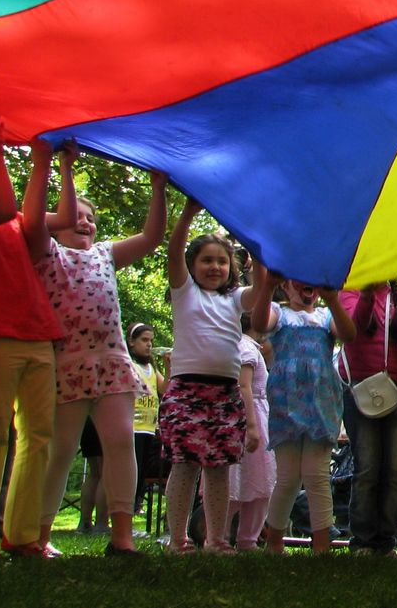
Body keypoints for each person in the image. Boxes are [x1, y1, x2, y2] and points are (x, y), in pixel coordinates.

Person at [23, 141, 167, 557]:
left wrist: (157, 188)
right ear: (58, 223)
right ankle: (40, 534)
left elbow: (151, 237)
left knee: (121, 442)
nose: (83, 223)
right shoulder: (46, 253)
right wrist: (65, 168)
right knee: (61, 450)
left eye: (90, 219)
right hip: (66, 364)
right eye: (76, 217)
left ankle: (121, 535)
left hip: (111, 363)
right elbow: (40, 222)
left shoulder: (105, 254)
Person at [0, 121, 66, 560]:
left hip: (38, 335)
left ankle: (22, 535)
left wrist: (46, 161)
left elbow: (44, 217)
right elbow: (0, 207)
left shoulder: (15, 227)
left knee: (38, 434)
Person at [159, 197, 254, 554]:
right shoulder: (184, 293)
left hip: (225, 396)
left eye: (221, 260)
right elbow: (172, 252)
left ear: (232, 266)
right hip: (186, 391)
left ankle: (216, 539)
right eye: (206, 260)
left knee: (219, 470)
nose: (214, 266)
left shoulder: (235, 299)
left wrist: (262, 255)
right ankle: (178, 539)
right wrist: (186, 214)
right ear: (192, 265)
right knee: (183, 466)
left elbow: (260, 291)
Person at [250, 269, 356, 554]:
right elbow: (259, 323)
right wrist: (267, 287)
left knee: (316, 474)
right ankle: (274, 539)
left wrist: (334, 300)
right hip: (287, 405)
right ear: (286, 285)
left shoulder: (326, 317)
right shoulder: (279, 314)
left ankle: (321, 542)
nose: (305, 284)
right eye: (295, 278)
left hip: (321, 403)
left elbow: (349, 334)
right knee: (287, 477)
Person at [338, 279, 397, 556]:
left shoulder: (395, 294)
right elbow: (353, 330)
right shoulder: (349, 289)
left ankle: (386, 542)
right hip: (360, 392)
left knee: (394, 469)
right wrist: (366, 293)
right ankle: (362, 541)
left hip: (392, 390)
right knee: (367, 468)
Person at [225, 316, 276, 550]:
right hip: (250, 414)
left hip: (259, 413)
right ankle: (225, 534)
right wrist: (251, 425)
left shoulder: (251, 347)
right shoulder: (245, 346)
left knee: (259, 480)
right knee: (239, 479)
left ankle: (248, 537)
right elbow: (243, 385)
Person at [126, 323, 166, 517]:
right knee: (130, 474)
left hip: (149, 429)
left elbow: (165, 388)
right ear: (131, 342)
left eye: (150, 341)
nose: (148, 345)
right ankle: (124, 512)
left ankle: (135, 508)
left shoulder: (151, 367)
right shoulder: (128, 364)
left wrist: (168, 364)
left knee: (142, 475)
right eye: (144, 340)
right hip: (132, 427)